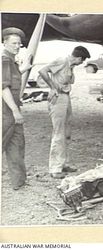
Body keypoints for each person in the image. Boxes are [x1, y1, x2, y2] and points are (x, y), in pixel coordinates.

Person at [39, 46, 91, 179]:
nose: (82, 63)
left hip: (65, 96)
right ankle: (55, 169)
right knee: (58, 132)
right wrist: (52, 87)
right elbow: (43, 71)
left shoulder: (70, 65)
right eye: (82, 60)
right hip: (58, 97)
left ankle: (63, 163)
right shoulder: (62, 60)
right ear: (79, 58)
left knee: (66, 132)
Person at [2, 27, 32, 190]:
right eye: (14, 43)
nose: (17, 46)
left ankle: (18, 182)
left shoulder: (11, 62)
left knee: (17, 144)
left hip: (13, 109)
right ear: (4, 42)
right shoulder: (4, 60)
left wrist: (24, 68)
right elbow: (3, 88)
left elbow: (12, 80)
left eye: (19, 44)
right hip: (6, 111)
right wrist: (15, 111)